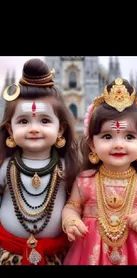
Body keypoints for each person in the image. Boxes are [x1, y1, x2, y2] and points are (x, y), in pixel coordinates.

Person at [62, 77, 137, 265]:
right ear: (92, 144)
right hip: (89, 253)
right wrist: (71, 221)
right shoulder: (85, 180)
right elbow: (72, 207)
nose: (118, 144)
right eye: (107, 136)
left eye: (129, 136)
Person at [0, 58, 79, 265]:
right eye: (23, 121)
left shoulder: (66, 168)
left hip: (56, 255)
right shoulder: (6, 167)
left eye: (44, 121)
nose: (34, 128)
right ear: (10, 129)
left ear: (60, 129)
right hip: (9, 254)